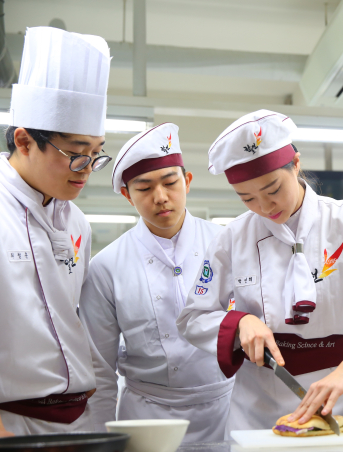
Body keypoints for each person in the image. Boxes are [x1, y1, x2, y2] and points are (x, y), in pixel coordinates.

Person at [176, 110, 343, 437]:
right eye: (247, 198)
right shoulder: (232, 237)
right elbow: (193, 317)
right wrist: (240, 323)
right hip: (257, 407)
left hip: (341, 399)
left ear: (295, 164)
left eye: (273, 189)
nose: (265, 207)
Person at [0, 26, 111, 435]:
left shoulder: (76, 221)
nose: (87, 170)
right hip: (11, 421)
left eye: (96, 154)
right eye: (76, 154)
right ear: (24, 141)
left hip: (78, 416)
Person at [79, 123, 234, 442]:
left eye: (170, 182)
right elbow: (99, 369)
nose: (161, 197)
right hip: (147, 416)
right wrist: (101, 442)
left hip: (227, 409)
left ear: (187, 181)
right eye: (144, 188)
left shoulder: (227, 245)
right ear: (127, 195)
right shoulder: (106, 266)